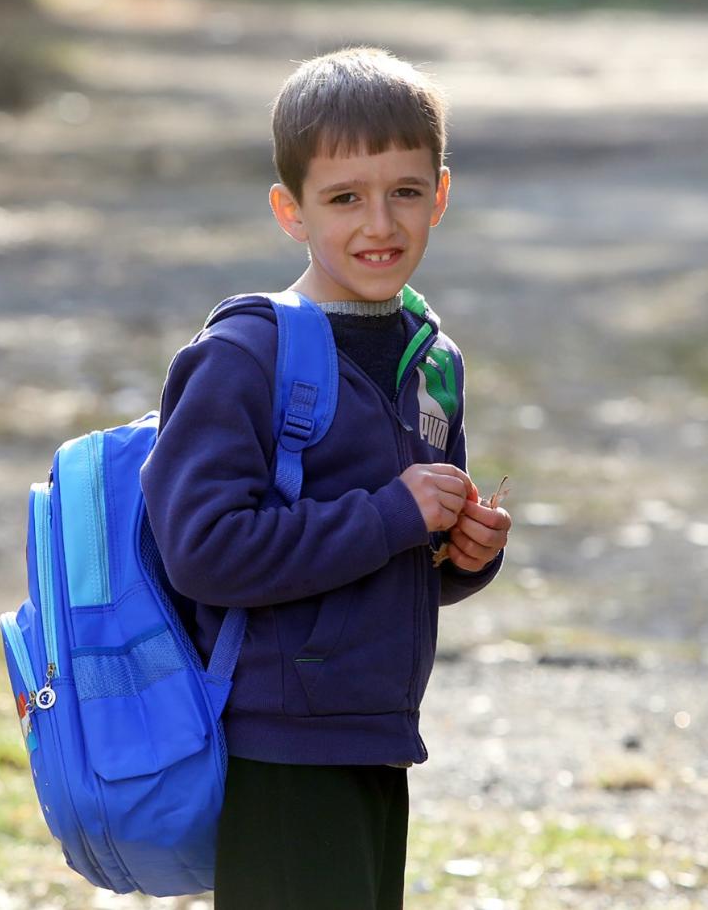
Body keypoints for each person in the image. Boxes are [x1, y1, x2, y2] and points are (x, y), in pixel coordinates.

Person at [140, 46, 512, 909]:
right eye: (345, 197)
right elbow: (203, 552)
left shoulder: (431, 359)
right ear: (290, 210)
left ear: (441, 195)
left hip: (375, 731)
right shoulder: (247, 355)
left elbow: (388, 560)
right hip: (280, 743)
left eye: (405, 193)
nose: (379, 223)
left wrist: (461, 553)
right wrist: (392, 514)